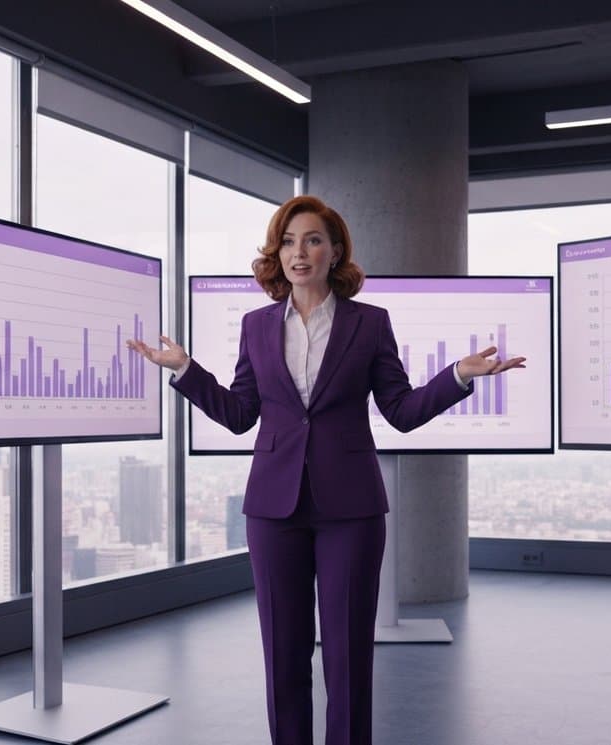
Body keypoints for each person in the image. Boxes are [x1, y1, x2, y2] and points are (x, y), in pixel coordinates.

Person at [127, 195, 524, 745]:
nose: (299, 252)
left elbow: (401, 412)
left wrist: (458, 375)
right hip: (273, 509)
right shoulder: (257, 326)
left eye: (312, 239)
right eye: (288, 241)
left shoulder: (369, 324)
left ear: (335, 251)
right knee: (282, 655)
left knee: (347, 656)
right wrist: (186, 371)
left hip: (352, 510)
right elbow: (242, 415)